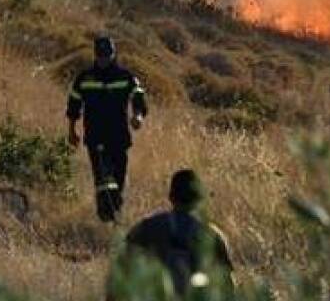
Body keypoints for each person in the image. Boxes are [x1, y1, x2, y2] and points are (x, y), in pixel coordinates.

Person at [67, 35, 148, 222]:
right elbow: (73, 105)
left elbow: (138, 97)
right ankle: (106, 215)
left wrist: (138, 116)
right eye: (101, 56)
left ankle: (114, 212)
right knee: (103, 178)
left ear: (113, 54)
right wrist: (72, 130)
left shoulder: (125, 76)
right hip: (95, 136)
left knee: (118, 178)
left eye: (107, 56)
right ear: (95, 55)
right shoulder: (85, 78)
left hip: (119, 136)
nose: (104, 59)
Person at [121, 169, 234, 298]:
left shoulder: (146, 228)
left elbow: (121, 272)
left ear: (171, 197)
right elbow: (228, 287)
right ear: (199, 199)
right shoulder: (212, 235)